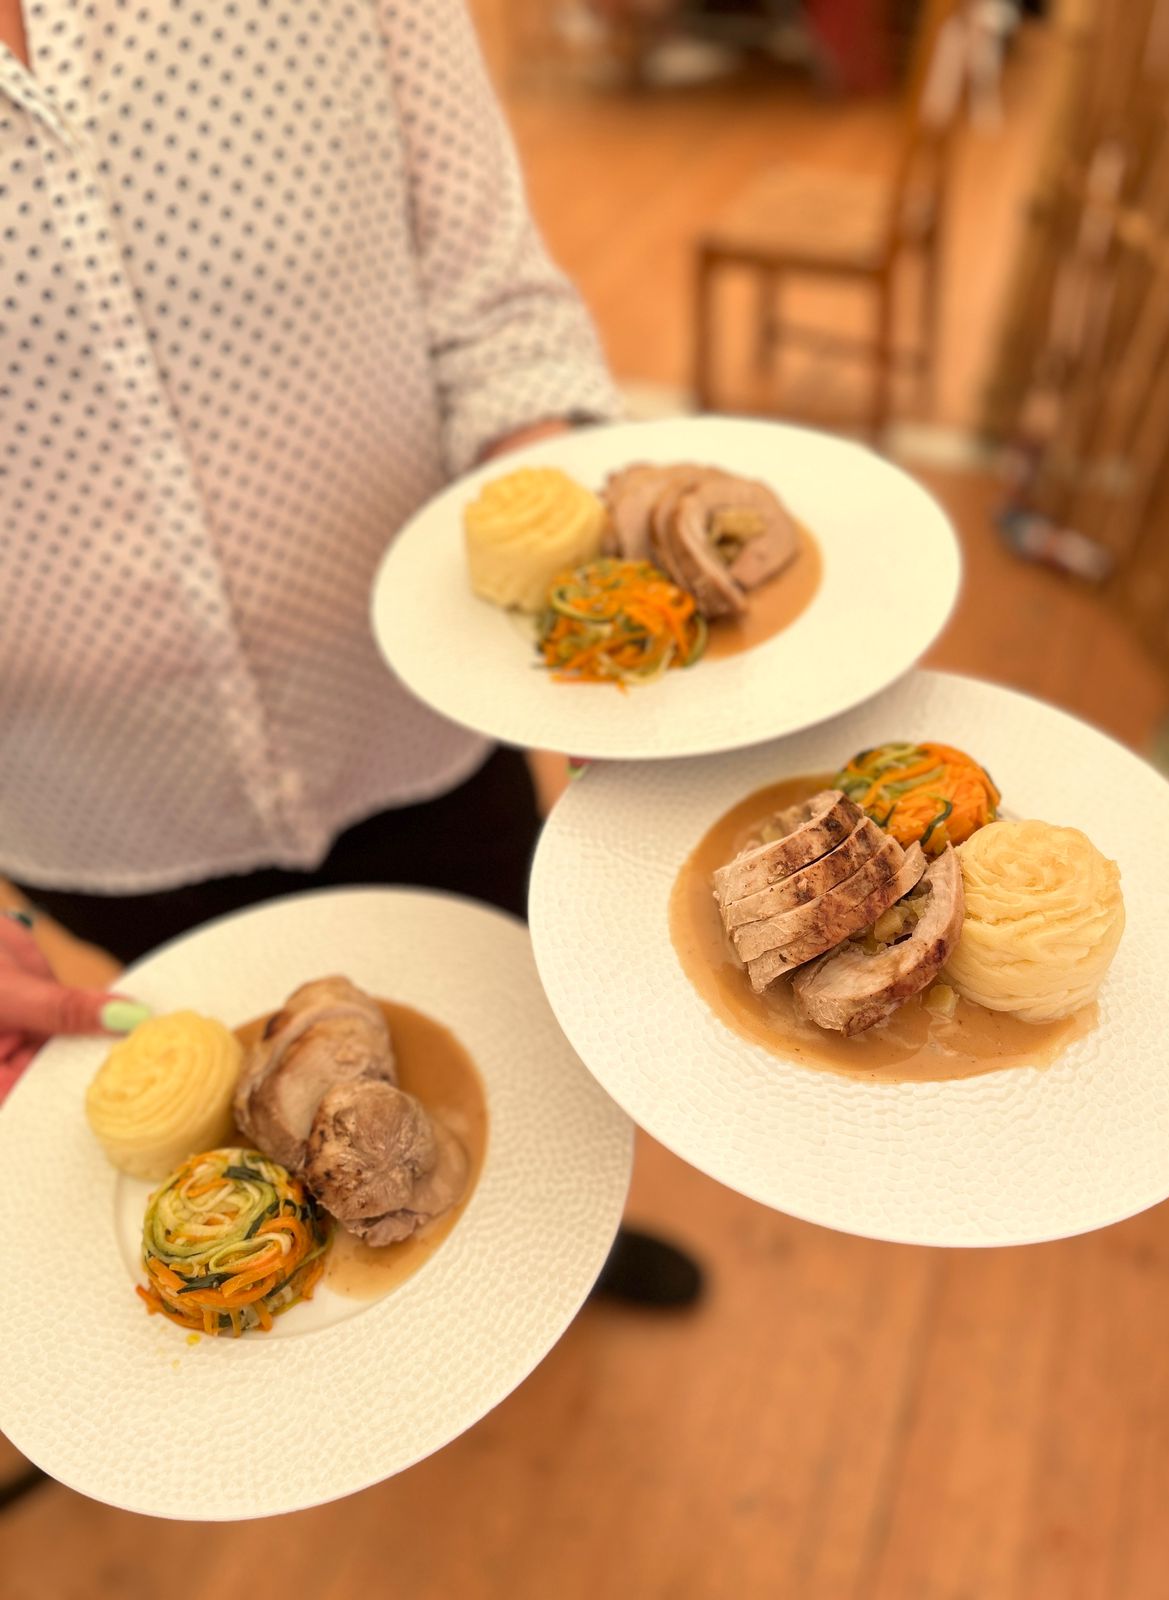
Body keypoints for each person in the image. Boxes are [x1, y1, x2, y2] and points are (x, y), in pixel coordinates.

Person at [0, 0, 700, 1306]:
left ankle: (560, 1258)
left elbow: (493, 310)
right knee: (265, 1186)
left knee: (520, 1090)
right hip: (97, 816)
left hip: (422, 722)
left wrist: (564, 569)